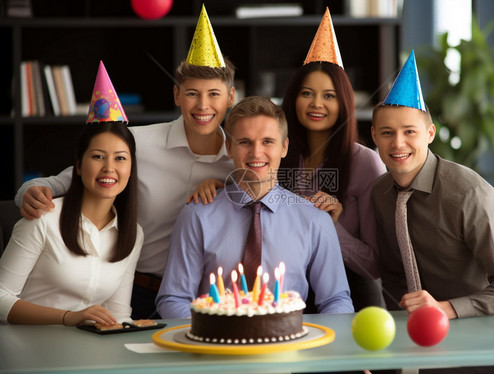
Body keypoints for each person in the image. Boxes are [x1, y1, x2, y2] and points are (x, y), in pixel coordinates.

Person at [12, 6, 235, 319]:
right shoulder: (135, 145)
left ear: (231, 97)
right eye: (192, 94)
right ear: (176, 95)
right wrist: (29, 192)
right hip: (134, 290)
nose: (203, 105)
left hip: (202, 296)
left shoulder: (239, 162)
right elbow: (62, 181)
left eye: (214, 94)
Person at [371, 50, 494, 319]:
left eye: (409, 132)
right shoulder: (379, 193)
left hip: (479, 329)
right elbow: (391, 274)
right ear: (374, 136)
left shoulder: (468, 193)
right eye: (387, 133)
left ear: (430, 133)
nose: (398, 143)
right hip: (411, 333)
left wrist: (446, 309)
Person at [156, 96, 354, 318]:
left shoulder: (315, 219)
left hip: (290, 345)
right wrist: (209, 338)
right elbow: (174, 298)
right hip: (215, 346)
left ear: (284, 147)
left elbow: (336, 300)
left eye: (267, 141)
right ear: (229, 148)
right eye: (245, 142)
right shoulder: (197, 214)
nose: (256, 153)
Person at [0, 62, 143, 326]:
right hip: (27, 350)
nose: (109, 168)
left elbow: (119, 313)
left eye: (120, 158)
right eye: (98, 157)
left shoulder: (132, 233)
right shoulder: (43, 220)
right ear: (78, 165)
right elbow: (1, 297)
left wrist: (129, 334)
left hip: (90, 354)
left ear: (131, 168)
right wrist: (68, 318)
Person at [279, 8, 387, 311]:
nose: (316, 104)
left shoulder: (365, 163)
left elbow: (374, 264)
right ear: (293, 99)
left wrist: (332, 227)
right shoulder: (279, 155)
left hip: (351, 296)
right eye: (307, 93)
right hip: (287, 294)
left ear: (344, 102)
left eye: (329, 95)